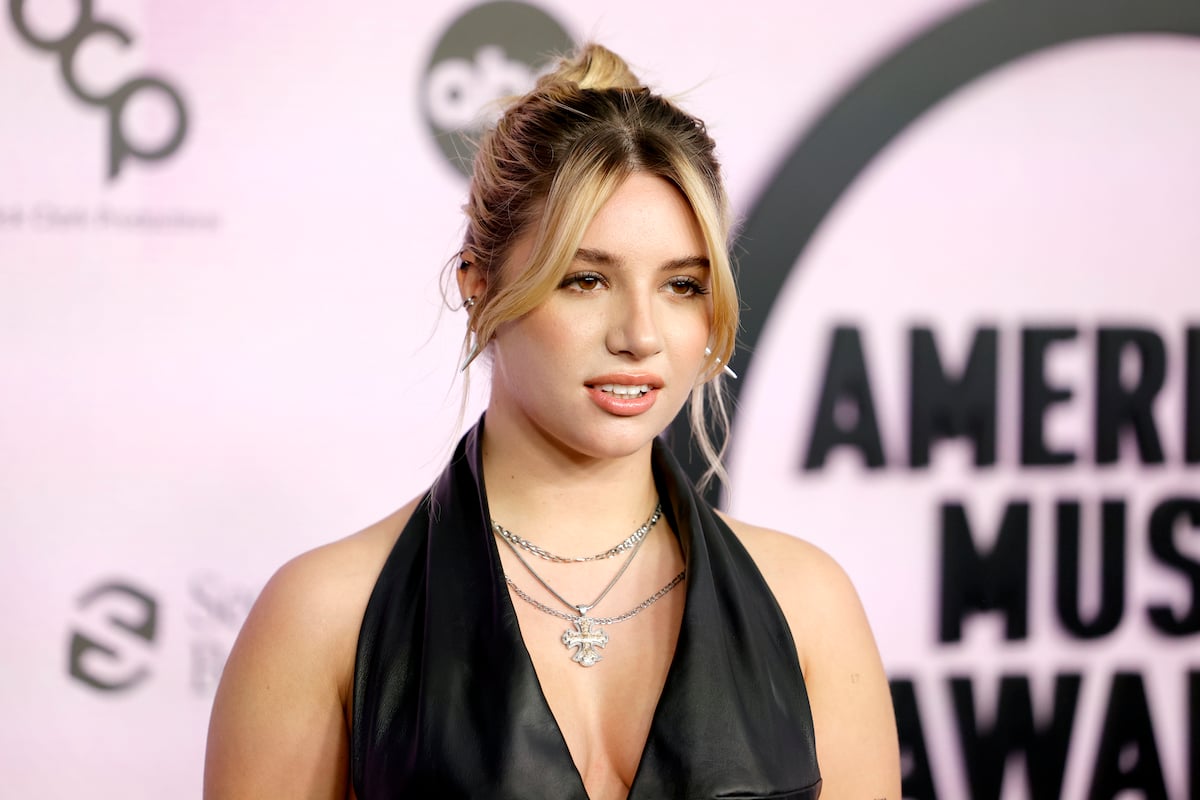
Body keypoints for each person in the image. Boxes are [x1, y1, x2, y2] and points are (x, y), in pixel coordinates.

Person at [204, 43, 900, 800]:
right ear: (479, 287)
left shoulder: (807, 606)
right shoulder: (325, 618)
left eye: (681, 286)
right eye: (586, 279)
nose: (639, 335)